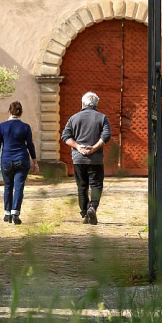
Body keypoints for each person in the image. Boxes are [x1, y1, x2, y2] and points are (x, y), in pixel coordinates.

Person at [61, 91, 111, 225]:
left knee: (82, 186)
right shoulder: (102, 118)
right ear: (96, 104)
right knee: (96, 185)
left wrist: (78, 147)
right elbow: (106, 136)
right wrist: (94, 148)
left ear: (83, 103)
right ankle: (92, 207)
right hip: (95, 160)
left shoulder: (74, 118)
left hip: (79, 159)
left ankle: (84, 214)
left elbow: (65, 137)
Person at [0, 100, 38, 224]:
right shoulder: (25, 127)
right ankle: (15, 213)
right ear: (21, 112)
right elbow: (30, 145)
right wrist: (35, 162)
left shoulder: (2, 126)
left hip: (6, 160)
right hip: (22, 160)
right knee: (19, 187)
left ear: (9, 111)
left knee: (8, 187)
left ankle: (7, 214)